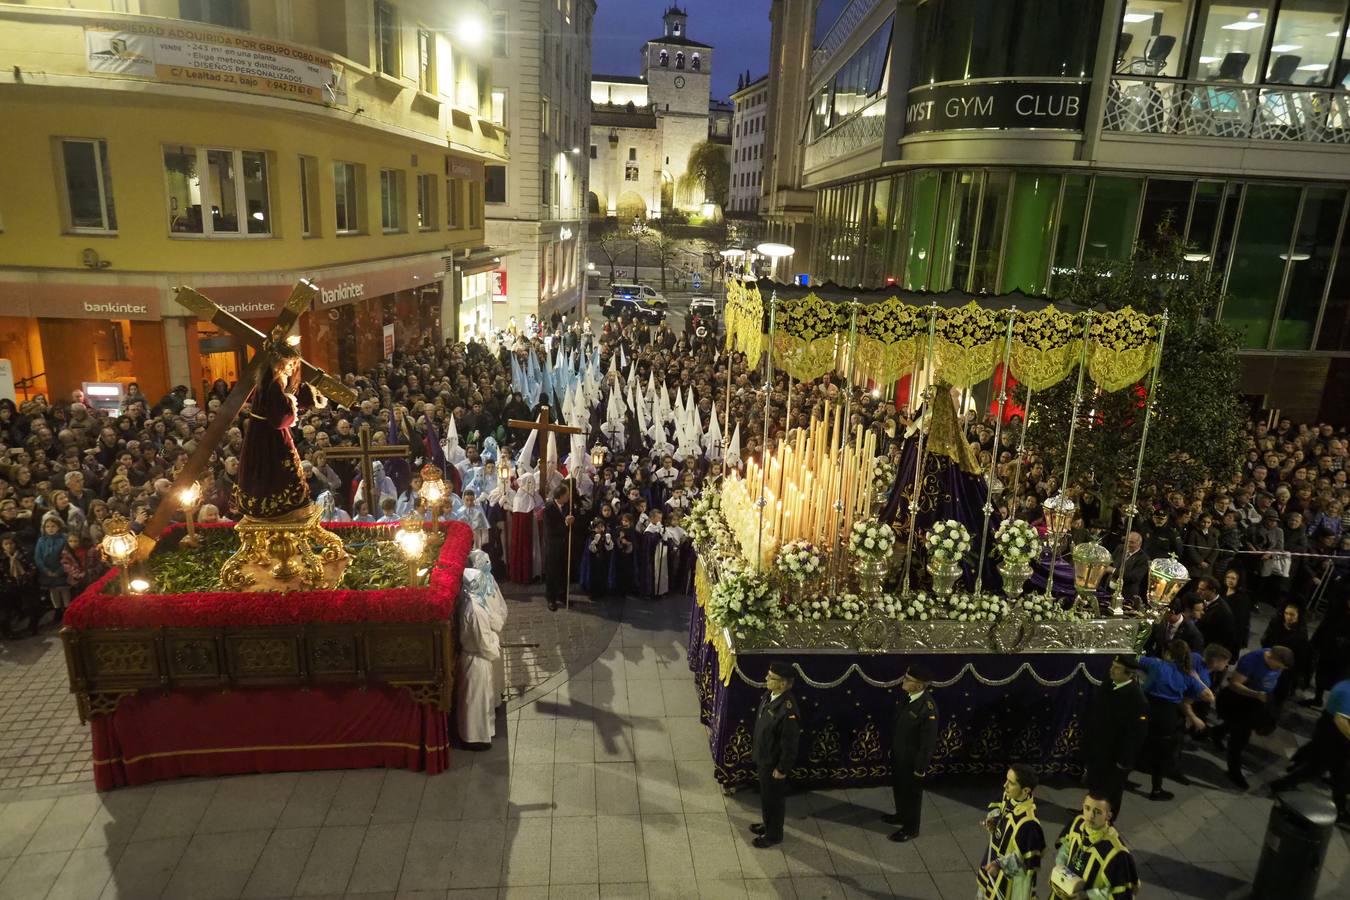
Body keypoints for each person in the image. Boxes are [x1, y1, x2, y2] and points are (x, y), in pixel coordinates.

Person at [235, 344, 325, 518]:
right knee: (275, 472)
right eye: (290, 363)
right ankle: (279, 509)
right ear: (279, 363)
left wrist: (308, 396)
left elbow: (292, 394)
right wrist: (290, 405)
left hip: (262, 432)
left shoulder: (273, 378)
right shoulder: (272, 382)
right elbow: (279, 418)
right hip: (268, 437)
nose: (292, 367)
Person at [1137, 640, 1214, 801]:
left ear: (1168, 653)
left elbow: (1134, 659)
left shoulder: (1157, 665)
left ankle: (1121, 777)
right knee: (1161, 753)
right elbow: (1209, 696)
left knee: (1136, 744)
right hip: (1168, 716)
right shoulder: (1188, 675)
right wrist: (1196, 677)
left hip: (1147, 709)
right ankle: (1156, 790)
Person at [1213, 645, 1296, 788]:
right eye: (1279, 666)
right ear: (1271, 657)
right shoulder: (1251, 660)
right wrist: (1256, 694)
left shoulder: (1276, 659)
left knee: (1237, 727)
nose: (1280, 669)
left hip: (1259, 701)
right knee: (1240, 738)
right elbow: (1234, 684)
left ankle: (1217, 732)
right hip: (1242, 702)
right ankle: (1234, 772)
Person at [1271, 675, 1350, 825]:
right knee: (1319, 769)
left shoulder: (1345, 685)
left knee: (1339, 773)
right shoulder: (1347, 691)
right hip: (1334, 736)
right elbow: (1341, 720)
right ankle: (1280, 785)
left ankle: (1340, 808)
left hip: (1332, 734)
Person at [1082, 654, 1149, 822]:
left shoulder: (1136, 700)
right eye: (1112, 665)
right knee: (1095, 784)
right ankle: (1089, 812)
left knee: (1111, 790)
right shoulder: (1109, 684)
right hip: (1098, 748)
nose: (1112, 670)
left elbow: (1136, 735)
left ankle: (1107, 819)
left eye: (1117, 668)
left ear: (1129, 674)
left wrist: (1124, 761)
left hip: (1114, 756)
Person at [749, 661, 800, 849]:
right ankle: (767, 823)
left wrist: (782, 768)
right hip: (764, 756)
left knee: (774, 799)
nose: (766, 679)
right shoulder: (770, 695)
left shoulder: (787, 710)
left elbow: (790, 743)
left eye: (771, 678)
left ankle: (773, 834)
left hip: (773, 763)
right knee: (766, 796)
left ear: (784, 684)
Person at [1052, 791, 1139, 900]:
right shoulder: (1078, 823)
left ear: (1108, 815)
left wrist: (1087, 895)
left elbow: (1120, 892)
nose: (1091, 816)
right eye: (1087, 808)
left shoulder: (1116, 853)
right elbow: (1066, 844)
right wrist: (1060, 866)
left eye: (1097, 812)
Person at [886, 663, 939, 842]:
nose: (904, 680)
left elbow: (927, 743)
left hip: (913, 761)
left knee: (912, 795)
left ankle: (911, 828)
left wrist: (920, 767)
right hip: (900, 755)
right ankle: (901, 815)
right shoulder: (907, 697)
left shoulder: (927, 708)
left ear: (920, 686)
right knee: (900, 788)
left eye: (909, 679)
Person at [978, 763, 1046, 900]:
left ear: (1026, 790)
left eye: (1011, 783)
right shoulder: (1009, 795)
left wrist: (999, 864)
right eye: (1006, 780)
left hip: (1010, 883)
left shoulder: (1029, 824)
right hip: (992, 863)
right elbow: (997, 805)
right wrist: (993, 820)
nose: (1005, 786)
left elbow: (1027, 861)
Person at [454, 556, 502, 749]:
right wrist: (495, 643)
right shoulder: (476, 611)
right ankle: (475, 738)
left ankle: (478, 734)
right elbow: (484, 643)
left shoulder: (470, 602)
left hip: (472, 658)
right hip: (477, 659)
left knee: (476, 701)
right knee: (477, 702)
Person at [542, 483, 573, 611]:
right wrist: (566, 523)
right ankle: (551, 598)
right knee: (552, 572)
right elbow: (551, 530)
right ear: (560, 496)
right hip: (553, 546)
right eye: (567, 495)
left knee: (563, 571)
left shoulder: (568, 506)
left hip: (564, 545)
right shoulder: (548, 509)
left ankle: (562, 594)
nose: (569, 497)